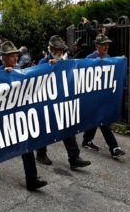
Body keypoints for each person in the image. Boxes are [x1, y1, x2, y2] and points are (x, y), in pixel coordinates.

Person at [0, 40, 48, 191]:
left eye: (16, 55)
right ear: (3, 57)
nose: (15, 58)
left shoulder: (20, 71)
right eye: (12, 56)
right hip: (1, 116)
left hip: (18, 116)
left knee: (27, 145)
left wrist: (50, 66)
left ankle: (32, 179)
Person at [36, 35, 91, 169]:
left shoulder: (65, 63)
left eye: (61, 49)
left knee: (67, 126)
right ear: (51, 49)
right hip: (46, 103)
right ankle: (41, 154)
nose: (59, 51)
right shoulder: (43, 62)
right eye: (57, 49)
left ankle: (74, 157)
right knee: (44, 128)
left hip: (61, 102)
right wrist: (49, 67)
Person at [82, 33, 126, 159]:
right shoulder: (89, 58)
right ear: (97, 46)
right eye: (103, 44)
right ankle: (114, 148)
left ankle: (87, 140)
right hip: (92, 95)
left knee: (97, 119)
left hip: (103, 95)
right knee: (103, 120)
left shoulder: (108, 57)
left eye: (107, 44)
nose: (106, 46)